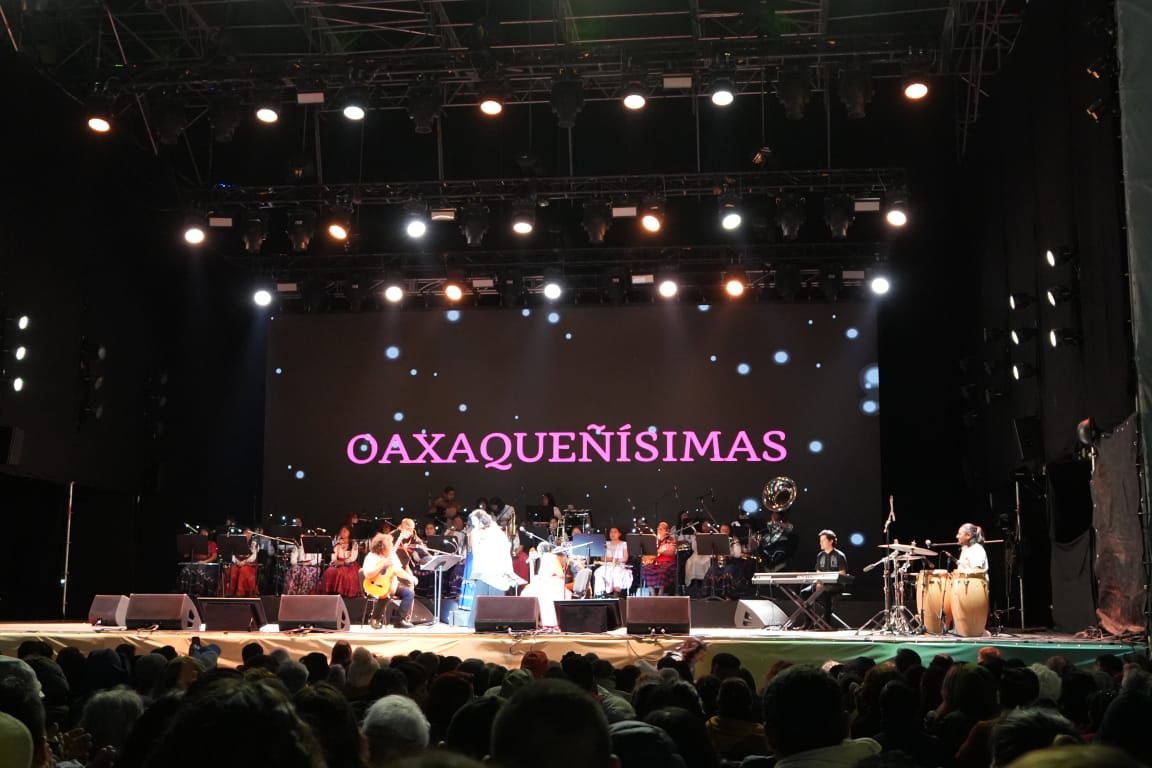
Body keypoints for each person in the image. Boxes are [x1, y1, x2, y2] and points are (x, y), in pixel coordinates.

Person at [363, 533, 416, 629]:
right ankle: (375, 619)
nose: (391, 548)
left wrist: (410, 578)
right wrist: (382, 565)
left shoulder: (392, 555)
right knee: (385, 593)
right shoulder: (372, 556)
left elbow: (398, 571)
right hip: (374, 585)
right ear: (382, 547)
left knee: (409, 593)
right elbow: (368, 574)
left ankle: (399, 620)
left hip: (391, 584)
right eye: (389, 546)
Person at [798, 529, 847, 628]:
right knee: (804, 593)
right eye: (820, 540)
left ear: (831, 541)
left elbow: (842, 574)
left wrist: (827, 578)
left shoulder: (839, 555)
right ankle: (808, 622)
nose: (820, 543)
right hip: (822, 584)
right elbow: (818, 572)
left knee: (825, 592)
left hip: (835, 585)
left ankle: (826, 623)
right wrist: (818, 582)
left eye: (823, 540)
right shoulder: (820, 555)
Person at [322, 527, 361, 598]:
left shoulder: (353, 544)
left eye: (345, 531)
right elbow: (333, 555)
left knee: (342, 574)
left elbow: (353, 558)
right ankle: (331, 592)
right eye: (341, 531)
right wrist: (335, 561)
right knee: (329, 571)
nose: (342, 533)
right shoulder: (338, 543)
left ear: (349, 533)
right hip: (337, 563)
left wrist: (343, 563)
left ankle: (342, 593)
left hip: (349, 565)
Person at [596, 527, 633, 596]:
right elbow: (602, 558)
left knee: (616, 571)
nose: (612, 534)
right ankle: (602, 592)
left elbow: (625, 558)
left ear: (619, 534)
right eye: (611, 532)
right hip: (607, 565)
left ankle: (616, 592)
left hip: (619, 565)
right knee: (599, 571)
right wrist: (612, 559)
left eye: (615, 532)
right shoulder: (606, 544)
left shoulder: (624, 544)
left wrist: (616, 560)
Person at [643, 521, 678, 596]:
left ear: (667, 531)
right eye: (658, 529)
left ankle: (660, 593)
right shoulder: (654, 540)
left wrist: (659, 551)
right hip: (656, 563)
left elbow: (671, 553)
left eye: (661, 529)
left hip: (668, 563)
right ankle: (652, 593)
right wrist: (658, 550)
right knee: (646, 568)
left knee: (662, 571)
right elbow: (650, 554)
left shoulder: (671, 540)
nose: (659, 530)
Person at [227, 528, 259, 597]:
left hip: (249, 564)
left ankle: (240, 593)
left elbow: (254, 556)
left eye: (249, 533)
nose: (248, 535)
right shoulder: (236, 543)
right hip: (238, 563)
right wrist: (237, 561)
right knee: (233, 570)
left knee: (243, 570)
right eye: (246, 533)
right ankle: (230, 593)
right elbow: (232, 555)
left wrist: (244, 562)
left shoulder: (254, 544)